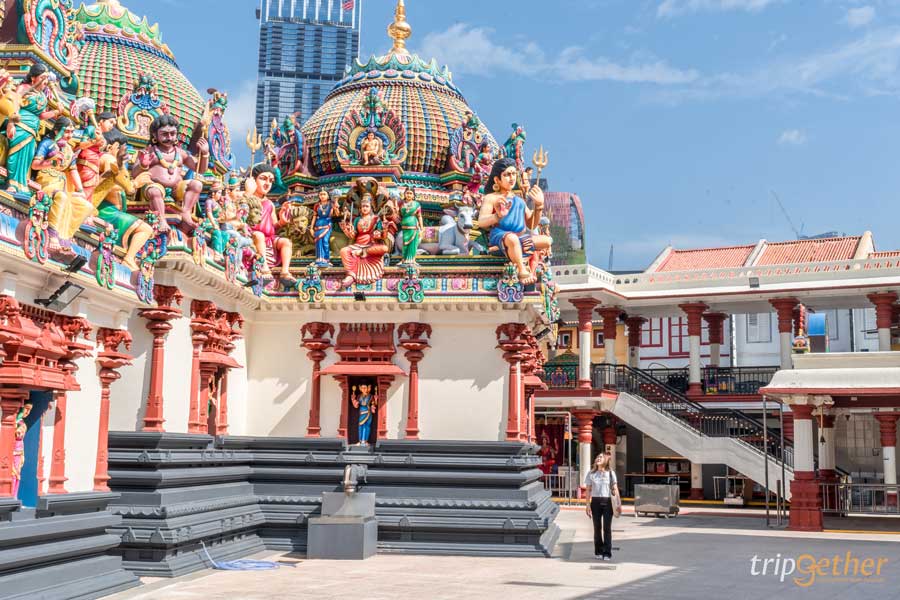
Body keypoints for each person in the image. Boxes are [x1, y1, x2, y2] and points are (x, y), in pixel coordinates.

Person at [477, 157, 552, 284]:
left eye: (513, 174)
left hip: (519, 238)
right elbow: (481, 221)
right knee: (512, 239)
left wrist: (539, 206)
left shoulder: (519, 200)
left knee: (547, 241)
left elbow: (531, 223)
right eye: (507, 175)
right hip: (501, 235)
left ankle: (509, 250)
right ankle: (522, 270)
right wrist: (497, 216)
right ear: (497, 180)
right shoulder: (492, 198)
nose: (511, 178)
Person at [585, 453, 620, 561]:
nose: (598, 458)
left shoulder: (611, 473)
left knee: (607, 528)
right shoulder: (591, 473)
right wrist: (587, 505)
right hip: (595, 502)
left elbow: (615, 488)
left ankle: (607, 553)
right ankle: (598, 551)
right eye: (597, 457)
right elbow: (588, 490)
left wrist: (619, 503)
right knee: (597, 528)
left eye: (601, 457)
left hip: (608, 502)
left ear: (606, 460)